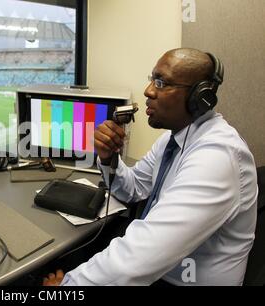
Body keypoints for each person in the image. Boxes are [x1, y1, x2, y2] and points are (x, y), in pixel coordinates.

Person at [44, 48, 258, 286]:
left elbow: (138, 259)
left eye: (161, 82)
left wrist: (67, 287)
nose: (148, 91)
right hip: (160, 269)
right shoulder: (171, 139)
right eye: (151, 80)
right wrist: (108, 158)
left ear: (199, 97)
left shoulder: (217, 158)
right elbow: (132, 189)